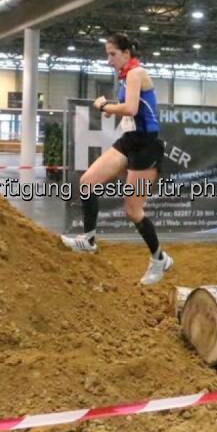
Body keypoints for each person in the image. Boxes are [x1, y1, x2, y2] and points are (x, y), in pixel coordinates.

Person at [60, 34, 173, 285]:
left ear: (126, 53)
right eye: (107, 54)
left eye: (112, 54)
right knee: (88, 181)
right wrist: (112, 107)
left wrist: (104, 106)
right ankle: (88, 240)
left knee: (133, 210)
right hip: (129, 141)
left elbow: (131, 109)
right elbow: (131, 112)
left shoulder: (136, 73)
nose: (108, 59)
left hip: (147, 148)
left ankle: (159, 259)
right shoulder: (126, 76)